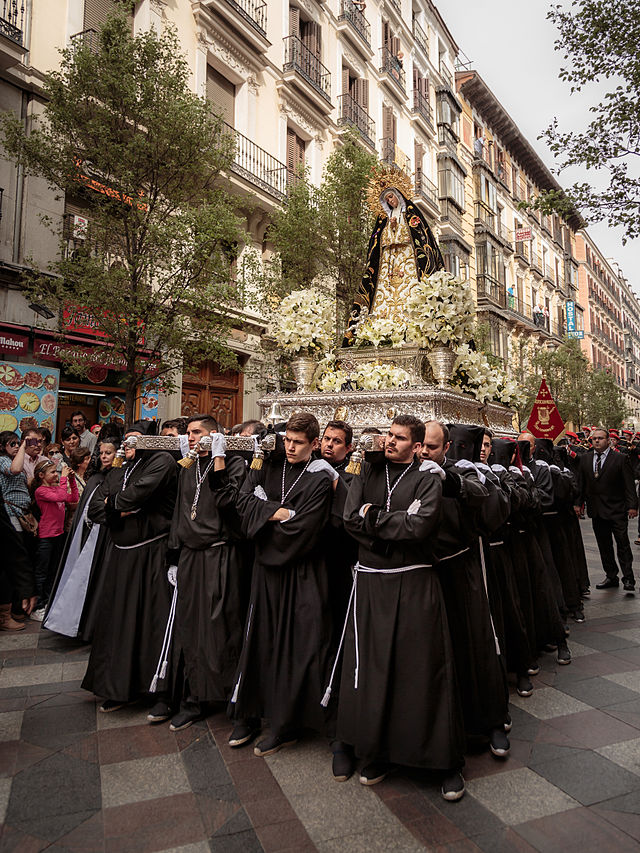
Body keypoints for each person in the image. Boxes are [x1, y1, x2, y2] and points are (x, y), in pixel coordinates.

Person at [337, 415, 465, 798]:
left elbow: (420, 526)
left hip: (413, 583)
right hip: (372, 584)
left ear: (417, 446)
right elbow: (349, 518)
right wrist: (388, 531)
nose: (390, 442)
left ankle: (441, 761)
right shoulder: (367, 470)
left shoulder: (427, 477)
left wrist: (374, 516)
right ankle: (377, 751)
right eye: (389, 435)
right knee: (374, 669)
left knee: (420, 670)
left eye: (399, 438)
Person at [229, 412, 336, 757]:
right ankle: (253, 713)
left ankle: (289, 722)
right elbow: (242, 502)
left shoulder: (320, 478)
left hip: (302, 571)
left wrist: (264, 512)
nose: (290, 447)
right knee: (262, 641)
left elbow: (304, 529)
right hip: (266, 573)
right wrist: (279, 513)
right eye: (287, 440)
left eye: (298, 443)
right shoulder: (268, 466)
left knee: (300, 646)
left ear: (314, 444)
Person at [160, 415, 249, 732]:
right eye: (188, 433)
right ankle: (193, 699)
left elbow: (233, 507)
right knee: (190, 630)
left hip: (219, 554)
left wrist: (220, 459)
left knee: (222, 628)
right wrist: (174, 555)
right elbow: (180, 513)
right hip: (190, 557)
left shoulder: (234, 464)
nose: (190, 438)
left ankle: (235, 704)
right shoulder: (188, 466)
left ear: (215, 435)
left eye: (197, 432)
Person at [82, 422, 178, 712]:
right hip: (120, 556)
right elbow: (95, 508)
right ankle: (119, 687)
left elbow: (136, 495)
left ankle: (157, 692)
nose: (128, 445)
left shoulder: (162, 461)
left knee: (150, 625)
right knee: (118, 624)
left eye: (135, 439)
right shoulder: (121, 467)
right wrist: (119, 509)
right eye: (126, 440)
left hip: (150, 556)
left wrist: (116, 505)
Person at [343, 180, 443, 344]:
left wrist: (398, 228)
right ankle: (380, 332)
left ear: (398, 195)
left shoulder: (411, 214)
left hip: (408, 262)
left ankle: (412, 330)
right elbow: (376, 243)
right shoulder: (383, 220)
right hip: (387, 265)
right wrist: (391, 229)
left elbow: (420, 238)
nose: (390, 201)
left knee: (410, 294)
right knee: (383, 297)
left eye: (391, 197)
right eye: (387, 199)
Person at [44, 438, 119, 641]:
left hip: (105, 536)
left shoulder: (118, 477)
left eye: (108, 453)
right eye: (101, 453)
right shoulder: (95, 478)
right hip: (88, 534)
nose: (104, 457)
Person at [573, 426, 638, 591]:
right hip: (597, 510)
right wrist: (577, 503)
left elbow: (629, 485)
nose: (596, 441)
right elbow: (581, 483)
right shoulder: (585, 459)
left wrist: (632, 506)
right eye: (594, 438)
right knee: (604, 546)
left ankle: (628, 578)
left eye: (600, 438)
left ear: (608, 441)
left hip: (617, 509)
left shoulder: (620, 458)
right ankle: (611, 575)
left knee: (622, 545)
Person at [30, 459, 79, 621]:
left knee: (53, 571)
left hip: (58, 535)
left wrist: (71, 479)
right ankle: (37, 606)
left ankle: (48, 602)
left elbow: (73, 498)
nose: (56, 475)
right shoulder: (40, 491)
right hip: (46, 537)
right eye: (53, 472)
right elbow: (62, 496)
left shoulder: (57, 488)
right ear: (41, 475)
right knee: (41, 572)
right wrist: (64, 478)